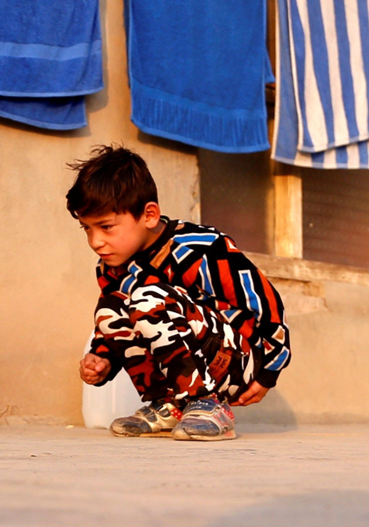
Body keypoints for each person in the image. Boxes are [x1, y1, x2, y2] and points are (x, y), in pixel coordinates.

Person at [71, 145, 291, 441]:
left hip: (237, 361)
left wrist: (268, 373)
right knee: (111, 307)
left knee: (148, 298)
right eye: (86, 228)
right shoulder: (111, 267)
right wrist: (102, 358)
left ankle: (209, 404)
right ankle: (169, 405)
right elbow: (116, 326)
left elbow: (267, 303)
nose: (95, 241)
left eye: (106, 227)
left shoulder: (201, 248)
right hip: (182, 363)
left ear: (149, 215)